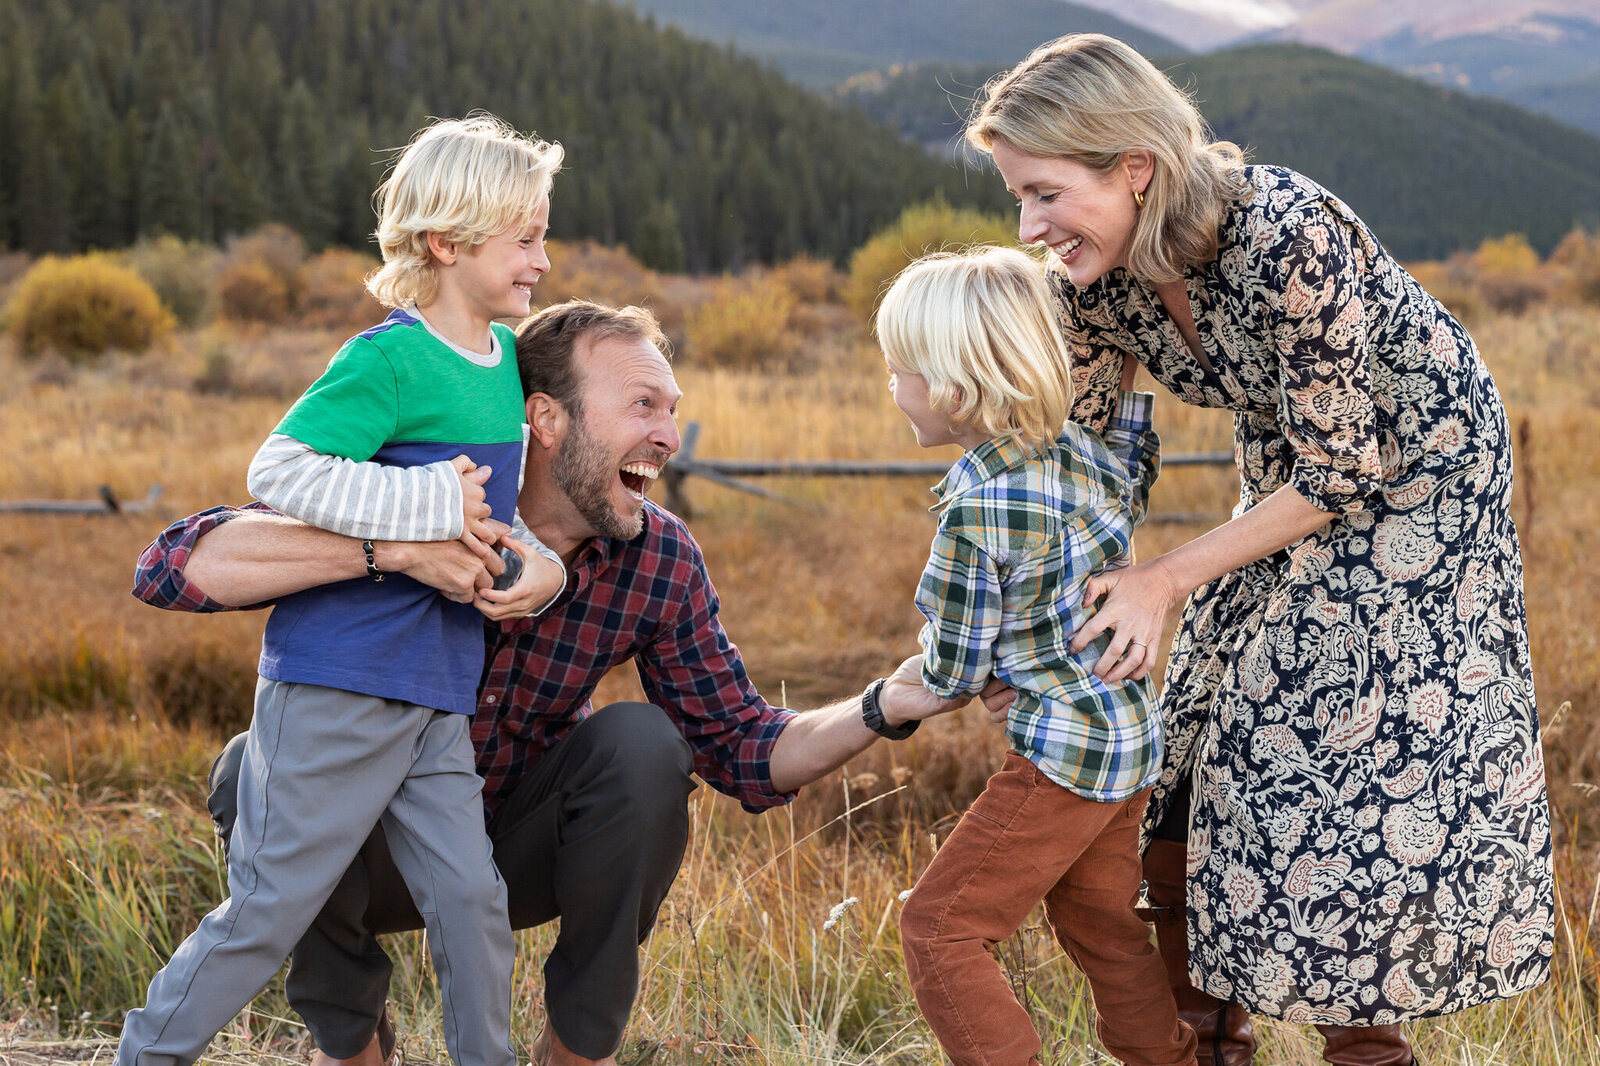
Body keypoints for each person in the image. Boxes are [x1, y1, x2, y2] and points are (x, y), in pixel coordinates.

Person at [131, 300, 965, 1066]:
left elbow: (745, 749)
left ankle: (572, 1056)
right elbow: (174, 565)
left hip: (514, 848)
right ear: (547, 418)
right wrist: (396, 550)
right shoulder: (406, 494)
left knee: (643, 748)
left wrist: (887, 704)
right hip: (368, 846)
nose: (668, 435)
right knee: (250, 769)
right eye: (643, 406)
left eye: (672, 411)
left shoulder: (657, 559)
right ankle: (353, 1048)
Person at [964, 32, 1554, 1066]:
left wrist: (1162, 576)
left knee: (1316, 728)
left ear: (1132, 167)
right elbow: (1088, 468)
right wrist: (1024, 633)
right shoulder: (1092, 284)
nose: (1030, 226)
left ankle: (1365, 1046)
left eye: (1046, 192)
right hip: (1292, 470)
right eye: (1018, 197)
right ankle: (1202, 1041)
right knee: (1189, 720)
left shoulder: (1283, 229)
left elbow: (1347, 469)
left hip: (1418, 471)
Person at [115, 115, 569, 1066]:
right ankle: (147, 1053)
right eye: (524, 237)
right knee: (273, 905)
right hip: (337, 682)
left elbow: (484, 514)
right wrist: (422, 505)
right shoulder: (387, 357)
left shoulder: (499, 365)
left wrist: (534, 563)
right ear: (448, 241)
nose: (542, 258)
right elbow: (281, 468)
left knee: (474, 906)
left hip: (439, 691)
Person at [879, 248, 1196, 1066]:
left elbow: (951, 669)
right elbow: (1134, 478)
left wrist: (942, 679)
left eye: (899, 370)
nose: (891, 387)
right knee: (1105, 931)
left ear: (951, 389)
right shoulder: (1086, 458)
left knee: (939, 931)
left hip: (1062, 758)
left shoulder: (977, 510)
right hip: (1127, 740)